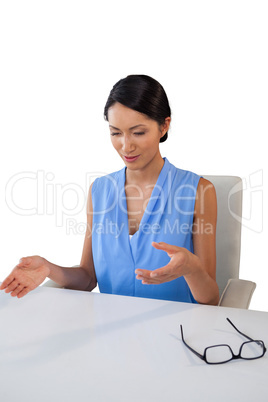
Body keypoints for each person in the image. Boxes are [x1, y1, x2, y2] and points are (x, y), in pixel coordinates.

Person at [0, 75, 219, 305]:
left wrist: (191, 269)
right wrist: (48, 268)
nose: (126, 146)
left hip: (180, 329)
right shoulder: (99, 191)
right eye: (116, 133)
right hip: (112, 329)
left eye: (138, 132)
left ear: (164, 126)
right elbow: (87, 279)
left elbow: (211, 300)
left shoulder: (199, 191)